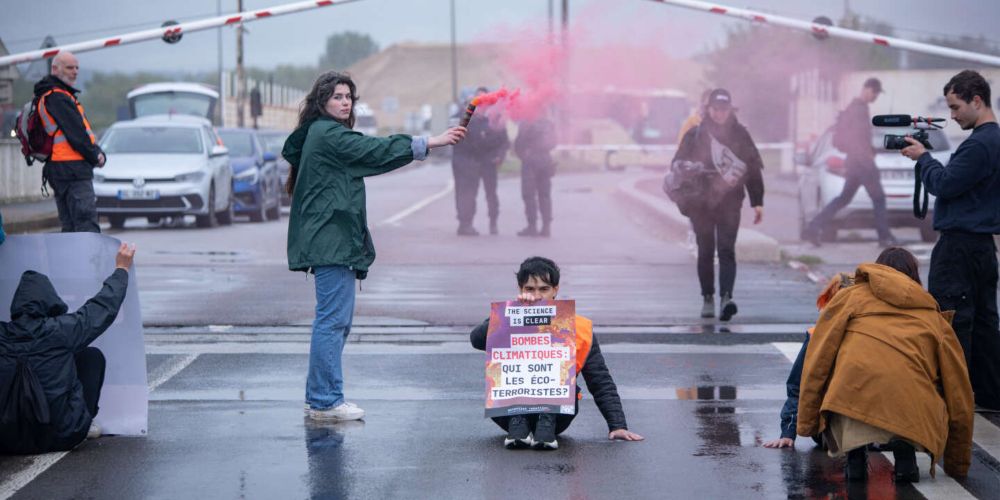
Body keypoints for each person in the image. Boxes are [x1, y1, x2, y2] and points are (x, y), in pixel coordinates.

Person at [283, 71, 465, 422]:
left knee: (334, 321)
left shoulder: (322, 133)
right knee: (332, 322)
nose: (345, 101)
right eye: (337, 96)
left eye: (349, 96)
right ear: (322, 101)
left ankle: (320, 398)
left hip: (331, 240)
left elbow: (367, 153)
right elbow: (374, 150)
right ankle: (324, 401)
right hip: (331, 241)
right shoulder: (328, 134)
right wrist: (430, 142)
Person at [797, 247, 973, 483]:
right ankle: (905, 453)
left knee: (844, 383)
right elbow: (958, 388)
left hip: (851, 400)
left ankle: (855, 456)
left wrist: (808, 423)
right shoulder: (932, 314)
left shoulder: (848, 298)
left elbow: (818, 359)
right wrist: (957, 463)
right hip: (911, 409)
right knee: (915, 389)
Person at [470, 256, 644, 450]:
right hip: (507, 413)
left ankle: (545, 425)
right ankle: (518, 427)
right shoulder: (509, 316)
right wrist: (514, 312)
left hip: (558, 415)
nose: (537, 296)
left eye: (544, 289)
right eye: (530, 289)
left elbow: (600, 379)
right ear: (520, 290)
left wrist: (617, 425)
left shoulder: (577, 326)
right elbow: (476, 340)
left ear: (555, 289)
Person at [901, 69, 1000, 411]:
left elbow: (944, 184)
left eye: (956, 107)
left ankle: (950, 400)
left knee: (951, 321)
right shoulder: (994, 141)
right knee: (986, 323)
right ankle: (988, 396)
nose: (953, 115)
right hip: (983, 247)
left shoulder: (979, 145)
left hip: (959, 248)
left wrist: (923, 159)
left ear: (977, 100)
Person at [0, 242, 135, 454]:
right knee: (91, 356)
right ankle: (86, 423)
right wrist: (121, 268)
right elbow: (101, 307)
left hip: (6, 438)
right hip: (63, 434)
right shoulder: (60, 330)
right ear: (50, 302)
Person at [672, 88, 764, 321]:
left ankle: (726, 298)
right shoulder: (694, 135)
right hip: (700, 202)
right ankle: (707, 298)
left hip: (730, 202)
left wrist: (757, 201)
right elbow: (677, 163)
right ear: (708, 109)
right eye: (716, 109)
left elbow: (753, 167)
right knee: (705, 251)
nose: (720, 114)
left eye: (724, 109)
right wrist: (688, 168)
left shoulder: (741, 135)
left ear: (730, 110)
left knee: (726, 250)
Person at [762, 272, 852, 450]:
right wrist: (788, 431)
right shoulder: (816, 336)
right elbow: (798, 387)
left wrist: (788, 432)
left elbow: (798, 387)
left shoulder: (816, 335)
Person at [804, 78, 897, 248]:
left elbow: (857, 139)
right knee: (879, 198)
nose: (875, 97)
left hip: (854, 161)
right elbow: (857, 139)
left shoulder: (854, 109)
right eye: (875, 93)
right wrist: (867, 159)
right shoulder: (858, 110)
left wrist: (869, 150)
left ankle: (813, 227)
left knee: (844, 198)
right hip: (862, 162)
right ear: (868, 89)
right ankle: (884, 236)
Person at [35, 51, 106, 233]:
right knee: (85, 226)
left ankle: (72, 261)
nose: (74, 71)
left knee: (70, 228)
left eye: (76, 68)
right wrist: (96, 155)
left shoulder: (49, 95)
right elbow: (77, 135)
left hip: (60, 169)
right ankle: (87, 262)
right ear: (55, 69)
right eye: (69, 67)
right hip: (73, 169)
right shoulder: (58, 97)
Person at [451, 87, 510, 236]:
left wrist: (499, 155)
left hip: (487, 162)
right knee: (467, 193)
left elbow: (503, 141)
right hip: (467, 162)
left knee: (489, 194)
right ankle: (465, 224)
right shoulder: (463, 118)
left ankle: (492, 222)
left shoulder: (490, 118)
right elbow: (466, 141)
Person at [513, 113, 557, 237]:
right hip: (546, 159)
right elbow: (554, 142)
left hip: (530, 160)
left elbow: (519, 142)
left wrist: (523, 155)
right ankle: (546, 226)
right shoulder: (549, 123)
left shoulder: (526, 122)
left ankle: (532, 226)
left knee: (529, 194)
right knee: (545, 194)